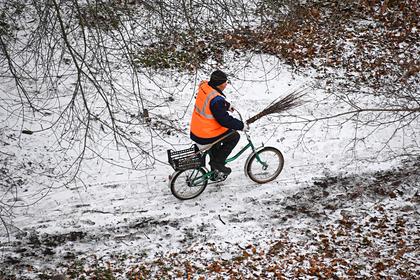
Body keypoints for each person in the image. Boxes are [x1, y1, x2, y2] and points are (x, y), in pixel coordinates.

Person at [190, 70, 247, 175]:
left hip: (196, 130)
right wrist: (241, 125)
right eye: (225, 82)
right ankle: (218, 162)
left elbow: (213, 102)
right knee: (234, 136)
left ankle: (214, 172)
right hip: (205, 134)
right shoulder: (216, 100)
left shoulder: (205, 87)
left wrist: (226, 105)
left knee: (219, 138)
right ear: (219, 85)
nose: (226, 84)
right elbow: (224, 120)